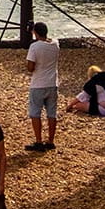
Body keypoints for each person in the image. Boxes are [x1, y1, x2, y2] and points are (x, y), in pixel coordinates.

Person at [25, 22, 59, 151]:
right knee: (51, 113)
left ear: (35, 33)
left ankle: (39, 141)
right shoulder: (55, 44)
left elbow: (30, 67)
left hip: (38, 83)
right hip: (52, 83)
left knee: (35, 113)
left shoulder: (34, 47)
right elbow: (49, 41)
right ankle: (50, 141)